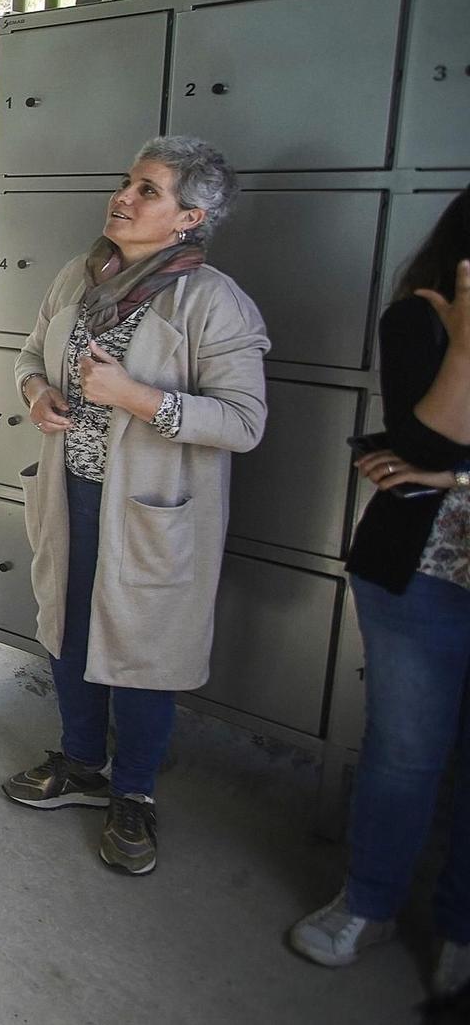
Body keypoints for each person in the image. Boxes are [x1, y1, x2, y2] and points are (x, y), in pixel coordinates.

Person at [1, 136, 269, 876]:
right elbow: (28, 354)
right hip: (72, 494)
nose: (124, 197)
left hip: (152, 512)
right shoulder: (79, 277)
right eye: (128, 183)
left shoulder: (210, 302)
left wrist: (138, 399)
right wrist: (37, 393)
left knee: (144, 655)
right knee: (67, 631)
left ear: (190, 217)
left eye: (147, 190)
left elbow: (244, 422)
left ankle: (136, 794)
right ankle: (83, 764)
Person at [290, 189, 470, 1000]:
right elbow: (422, 439)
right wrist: (464, 348)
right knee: (404, 753)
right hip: (422, 574)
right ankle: (369, 904)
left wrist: (459, 474)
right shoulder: (420, 319)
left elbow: (445, 460)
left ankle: (462, 926)